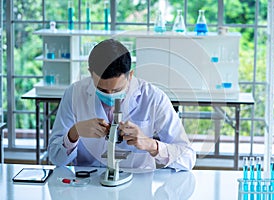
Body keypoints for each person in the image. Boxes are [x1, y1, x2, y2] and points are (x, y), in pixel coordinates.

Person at [48, 39, 196, 171]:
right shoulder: (74, 94)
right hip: (87, 183)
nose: (110, 95)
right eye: (102, 89)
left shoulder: (153, 98)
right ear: (90, 73)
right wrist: (74, 133)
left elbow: (188, 158)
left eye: (117, 90)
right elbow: (56, 159)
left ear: (130, 75)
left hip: (136, 185)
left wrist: (151, 145)